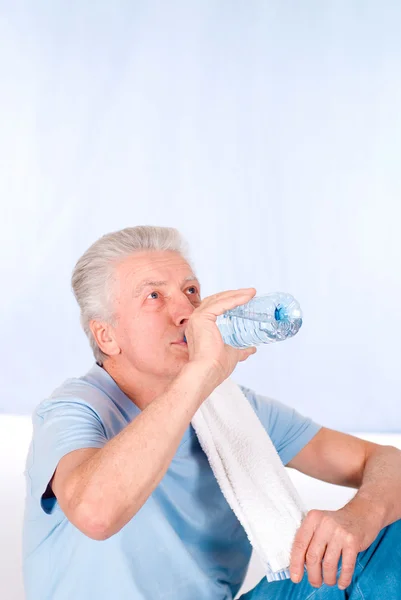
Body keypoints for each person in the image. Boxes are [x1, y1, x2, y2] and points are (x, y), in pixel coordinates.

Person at [23, 226, 401, 600]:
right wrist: (201, 372)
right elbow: (96, 514)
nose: (186, 311)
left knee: (391, 527)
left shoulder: (233, 411)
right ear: (106, 336)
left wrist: (362, 516)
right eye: (154, 296)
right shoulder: (72, 410)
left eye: (191, 291)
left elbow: (385, 461)